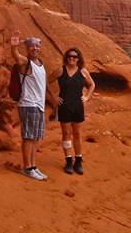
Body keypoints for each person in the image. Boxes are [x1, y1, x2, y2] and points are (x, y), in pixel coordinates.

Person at [11, 31, 48, 181]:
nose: (35, 48)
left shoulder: (40, 64)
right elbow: (17, 57)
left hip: (39, 105)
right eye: (32, 46)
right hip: (29, 104)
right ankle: (27, 168)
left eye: (37, 46)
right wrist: (14, 47)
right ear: (27, 49)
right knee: (28, 137)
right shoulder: (26, 62)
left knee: (35, 138)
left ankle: (33, 166)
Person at [56, 47, 95, 175]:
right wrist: (53, 97)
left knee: (77, 133)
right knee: (66, 133)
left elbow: (92, 84)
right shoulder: (60, 70)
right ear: (66, 58)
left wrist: (87, 97)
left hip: (77, 106)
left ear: (79, 59)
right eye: (69, 56)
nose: (71, 58)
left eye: (74, 56)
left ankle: (78, 160)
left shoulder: (83, 72)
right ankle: (68, 160)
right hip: (64, 106)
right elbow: (45, 82)